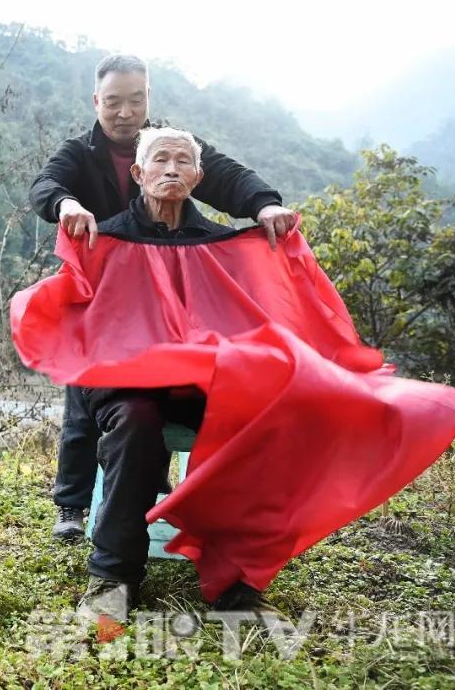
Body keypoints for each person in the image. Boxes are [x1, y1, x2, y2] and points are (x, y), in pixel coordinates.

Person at [29, 54, 298, 540]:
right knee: (86, 393)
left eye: (136, 100)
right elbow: (45, 185)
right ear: (97, 101)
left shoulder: (169, 145)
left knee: (174, 384)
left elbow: (229, 176)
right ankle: (71, 504)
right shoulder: (79, 152)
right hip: (106, 287)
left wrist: (265, 205)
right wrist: (66, 205)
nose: (125, 112)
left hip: (164, 294)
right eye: (114, 102)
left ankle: (172, 498)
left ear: (148, 98)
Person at [73, 126, 283, 617]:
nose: (171, 169)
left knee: (244, 422)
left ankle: (235, 583)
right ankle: (112, 578)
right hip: (125, 382)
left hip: (201, 382)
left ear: (198, 176)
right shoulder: (106, 239)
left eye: (183, 161)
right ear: (138, 172)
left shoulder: (222, 245)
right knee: (135, 421)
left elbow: (249, 323)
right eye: (160, 160)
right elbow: (83, 317)